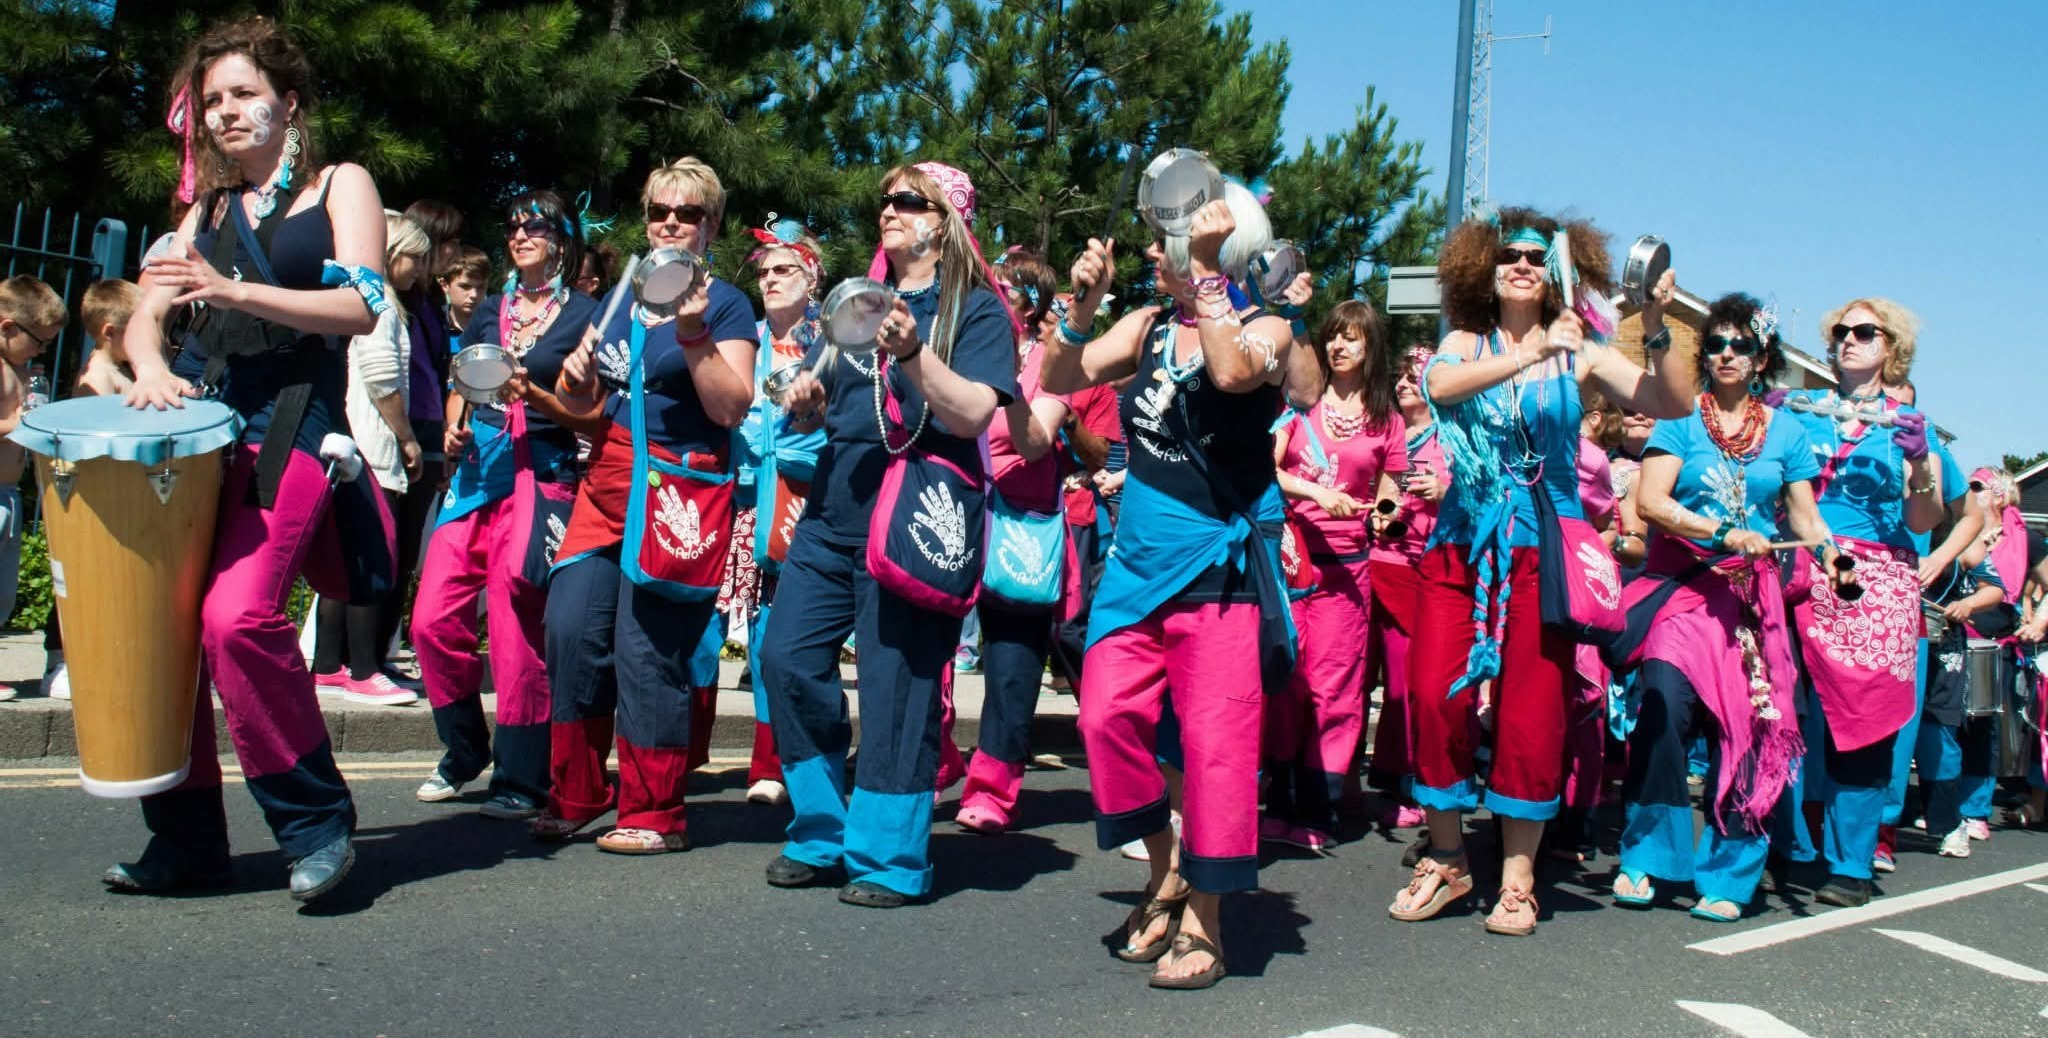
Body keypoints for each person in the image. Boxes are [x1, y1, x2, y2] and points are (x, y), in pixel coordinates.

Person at [115, 16, 392, 901]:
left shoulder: (341, 185)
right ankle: (187, 842)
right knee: (165, 629)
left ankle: (316, 825)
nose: (227, 112)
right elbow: (144, 317)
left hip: (295, 421)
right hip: (202, 429)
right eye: (213, 100)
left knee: (237, 618)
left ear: (289, 103)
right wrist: (150, 367)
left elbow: (362, 309)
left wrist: (233, 289)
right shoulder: (205, 210)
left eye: (245, 94)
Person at [1390, 208, 1693, 937]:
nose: (1521, 264)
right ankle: (1448, 857)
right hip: (1464, 536)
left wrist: (1656, 324)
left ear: (1556, 270)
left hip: (1544, 544)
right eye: (1509, 255)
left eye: (1534, 255)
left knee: (1533, 708)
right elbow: (1441, 386)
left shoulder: (1582, 350)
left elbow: (1673, 402)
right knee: (1431, 694)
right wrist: (1530, 353)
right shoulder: (1466, 341)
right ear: (1485, 269)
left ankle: (1519, 876)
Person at [1043, 181, 1301, 989]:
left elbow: (1230, 372)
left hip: (1217, 573)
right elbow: (1058, 373)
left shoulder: (1270, 329)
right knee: (1104, 717)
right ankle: (1167, 868)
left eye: (1172, 242)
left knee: (1217, 749)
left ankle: (1206, 925)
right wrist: (1082, 308)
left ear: (1216, 251)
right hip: (1136, 569)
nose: (1154, 251)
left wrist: (1210, 276)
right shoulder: (1148, 326)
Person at [761, 161, 1019, 908]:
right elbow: (827, 395)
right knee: (784, 656)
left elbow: (973, 413)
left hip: (916, 510)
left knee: (897, 683)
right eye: (885, 200)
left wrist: (911, 353)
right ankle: (822, 827)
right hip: (833, 508)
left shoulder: (974, 310)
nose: (889, 210)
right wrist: (807, 395)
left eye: (908, 200)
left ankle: (889, 857)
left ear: (945, 220)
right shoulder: (859, 299)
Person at [533, 157, 756, 854]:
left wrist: (692, 333)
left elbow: (731, 406)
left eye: (688, 213)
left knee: (646, 647)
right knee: (570, 629)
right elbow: (583, 403)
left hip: (675, 486)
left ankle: (655, 810)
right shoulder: (622, 297)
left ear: (711, 225)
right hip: (607, 476)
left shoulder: (725, 304)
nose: (670, 223)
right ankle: (577, 791)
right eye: (659, 211)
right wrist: (574, 382)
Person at [1615, 293, 1845, 921]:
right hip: (1683, 593)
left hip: (1750, 604)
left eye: (1739, 345)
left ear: (1761, 357)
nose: (1724, 354)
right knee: (1663, 707)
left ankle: (1730, 874)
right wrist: (1720, 533)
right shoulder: (1681, 420)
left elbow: (1804, 517)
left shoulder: (1788, 432)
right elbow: (1651, 503)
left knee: (1747, 731)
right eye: (1714, 343)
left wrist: (1832, 557)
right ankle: (1646, 857)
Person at [1774, 296, 1968, 907]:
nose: (1849, 340)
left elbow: (1932, 516)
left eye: (1864, 331)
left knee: (1863, 727)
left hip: (1874, 579)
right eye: (1841, 331)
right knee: (1774, 709)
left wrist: (1919, 462)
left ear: (1892, 347)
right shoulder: (1799, 411)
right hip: (1796, 562)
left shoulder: (1912, 425)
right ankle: (1781, 846)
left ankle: (1851, 864)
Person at [412, 190, 598, 819]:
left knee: (516, 622)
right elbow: (465, 379)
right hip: (477, 473)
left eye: (534, 226)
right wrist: (453, 424)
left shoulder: (586, 316)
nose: (520, 235)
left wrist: (539, 396)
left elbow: (594, 411)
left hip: (541, 475)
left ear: (561, 239)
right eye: (513, 226)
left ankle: (522, 774)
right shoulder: (491, 309)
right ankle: (464, 747)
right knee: (431, 621)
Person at [1262, 299, 1404, 851]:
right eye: (1334, 336)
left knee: (1335, 691)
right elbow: (1269, 469)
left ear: (1371, 347)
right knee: (1286, 683)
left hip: (1348, 573)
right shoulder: (1300, 405)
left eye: (1352, 338)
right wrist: (1316, 492)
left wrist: (1385, 516)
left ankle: (1318, 810)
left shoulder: (1387, 420)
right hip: (1292, 564)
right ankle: (1278, 803)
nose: (1339, 346)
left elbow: (1389, 493)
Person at [955, 247, 1071, 835]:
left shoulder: (1054, 362)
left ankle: (992, 790)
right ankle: (931, 758)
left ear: (1030, 307)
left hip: (1019, 529)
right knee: (925, 654)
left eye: (1006, 290)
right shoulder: (959, 345)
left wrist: (1008, 380)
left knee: (1010, 666)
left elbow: (1036, 441)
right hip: (950, 514)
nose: (993, 297)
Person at [728, 218, 830, 807]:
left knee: (807, 641)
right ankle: (770, 761)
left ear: (812, 277)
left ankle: (811, 755)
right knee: (764, 634)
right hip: (754, 504)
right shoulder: (745, 340)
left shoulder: (833, 341)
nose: (769, 279)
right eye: (763, 272)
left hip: (817, 505)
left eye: (783, 269)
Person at [310, 209, 428, 706]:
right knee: (371, 559)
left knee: (347, 561)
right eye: (415, 258)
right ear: (392, 253)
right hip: (373, 450)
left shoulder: (371, 300)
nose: (420, 270)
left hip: (354, 449)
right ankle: (362, 669)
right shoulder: (382, 308)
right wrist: (407, 438)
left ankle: (327, 665)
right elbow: (381, 379)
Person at [39, 280, 138, 701]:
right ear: (110, 332)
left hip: (115, 496)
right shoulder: (96, 378)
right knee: (79, 581)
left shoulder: (119, 372)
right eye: (137, 331)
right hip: (95, 498)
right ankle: (59, 659)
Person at [1365, 345, 1449, 835]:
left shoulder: (1453, 437)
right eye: (1400, 376)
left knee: (1403, 681)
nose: (1401, 384)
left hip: (1417, 567)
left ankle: (1407, 781)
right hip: (1370, 562)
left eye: (1413, 378)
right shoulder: (1386, 429)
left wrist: (1445, 490)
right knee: (1357, 676)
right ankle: (1340, 779)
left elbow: (1481, 495)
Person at [0, 275, 66, 697]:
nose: (42, 351)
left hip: (8, 494)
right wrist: (16, 424)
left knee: (3, 592)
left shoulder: (20, 371)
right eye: (39, 341)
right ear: (8, 327)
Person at [439, 246, 488, 339]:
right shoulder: (434, 326)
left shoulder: (497, 328)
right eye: (465, 287)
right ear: (445, 285)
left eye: (481, 287)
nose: (474, 295)